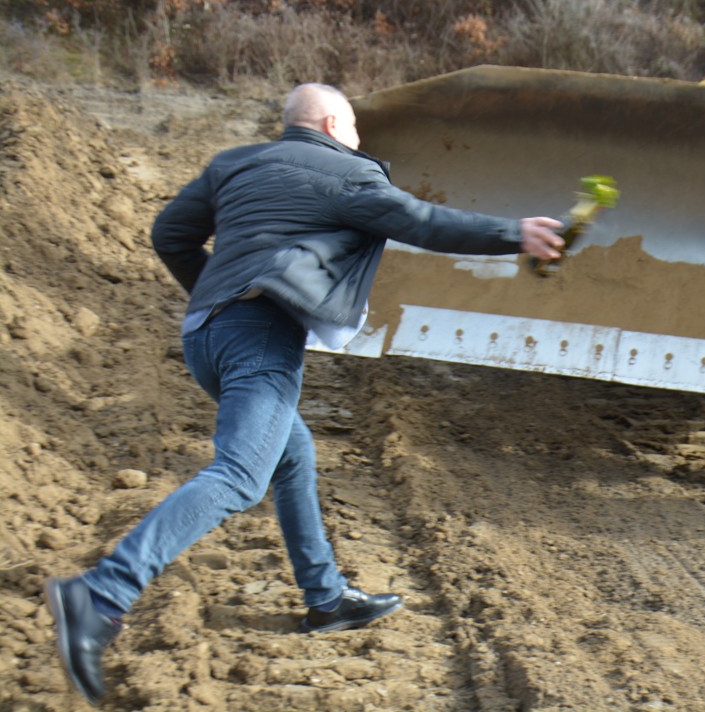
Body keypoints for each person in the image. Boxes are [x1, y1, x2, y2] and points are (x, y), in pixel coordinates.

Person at [44, 83, 566, 706]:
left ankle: (326, 598)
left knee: (292, 455)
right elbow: (423, 221)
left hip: (204, 336)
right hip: (260, 336)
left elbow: (168, 236)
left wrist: (216, 292)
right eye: (354, 130)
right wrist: (516, 233)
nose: (359, 142)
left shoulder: (232, 164)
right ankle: (102, 594)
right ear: (330, 122)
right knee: (239, 476)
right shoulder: (347, 174)